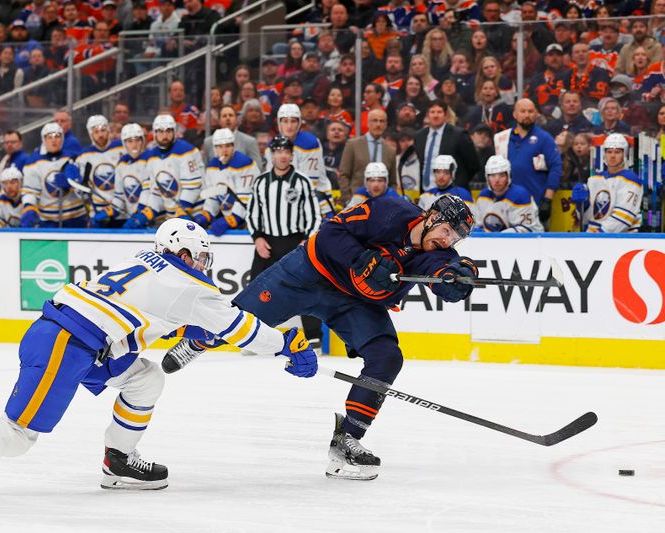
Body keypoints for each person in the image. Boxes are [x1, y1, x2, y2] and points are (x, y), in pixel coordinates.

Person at [0, 218, 318, 496]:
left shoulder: (146, 261)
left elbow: (155, 315)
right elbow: (238, 327)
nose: (204, 266)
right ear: (184, 253)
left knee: (146, 379)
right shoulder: (188, 283)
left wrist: (193, 328)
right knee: (14, 439)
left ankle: (118, 461)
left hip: (82, 342)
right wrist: (287, 346)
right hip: (66, 346)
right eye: (201, 257)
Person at [164, 193, 477, 480]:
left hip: (353, 302)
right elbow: (331, 233)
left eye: (457, 238)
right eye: (448, 231)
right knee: (235, 322)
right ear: (433, 217)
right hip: (304, 274)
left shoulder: (437, 252)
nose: (450, 241)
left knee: (386, 357)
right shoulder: (390, 210)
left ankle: (347, 442)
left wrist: (460, 277)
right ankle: (199, 340)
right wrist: (360, 259)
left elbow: (446, 272)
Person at [245, 135, 323, 350]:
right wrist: (257, 238)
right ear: (272, 154)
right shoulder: (261, 182)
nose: (282, 155)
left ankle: (314, 335)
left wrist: (307, 239)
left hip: (295, 242)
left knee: (306, 286)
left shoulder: (302, 181)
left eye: (286, 151)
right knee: (256, 290)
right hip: (267, 244)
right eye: (278, 151)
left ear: (291, 155)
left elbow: (314, 214)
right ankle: (251, 337)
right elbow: (252, 214)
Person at [124, 114, 205, 228]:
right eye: (160, 131)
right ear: (155, 133)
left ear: (174, 132)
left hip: (193, 214)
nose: (165, 135)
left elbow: (193, 186)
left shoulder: (186, 151)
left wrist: (183, 209)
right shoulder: (152, 156)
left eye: (168, 131)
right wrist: (147, 212)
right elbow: (156, 191)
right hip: (171, 218)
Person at [493, 99, 562, 224]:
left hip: (535, 204)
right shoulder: (502, 138)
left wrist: (547, 199)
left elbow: (556, 167)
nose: (527, 115)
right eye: (523, 111)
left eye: (530, 111)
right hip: (506, 204)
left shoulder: (544, 138)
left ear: (536, 114)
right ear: (515, 114)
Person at [264, 104, 332, 216]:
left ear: (299, 122)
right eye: (285, 121)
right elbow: (272, 181)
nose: (289, 126)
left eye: (293, 121)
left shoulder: (310, 143)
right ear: (279, 123)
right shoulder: (271, 146)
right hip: (285, 200)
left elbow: (309, 184)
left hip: (317, 201)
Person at [571, 134, 642, 233]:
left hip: (621, 240)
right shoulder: (594, 179)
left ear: (624, 154)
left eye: (617, 152)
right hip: (593, 237)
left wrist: (600, 234)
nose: (612, 156)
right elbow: (587, 218)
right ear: (604, 154)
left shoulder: (631, 180)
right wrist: (582, 205)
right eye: (609, 152)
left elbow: (623, 217)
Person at [194, 128, 258, 237]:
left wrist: (233, 219)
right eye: (220, 146)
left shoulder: (245, 164)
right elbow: (213, 195)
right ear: (215, 149)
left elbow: (245, 197)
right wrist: (206, 214)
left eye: (228, 146)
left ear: (233, 146)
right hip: (227, 216)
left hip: (251, 220)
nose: (224, 150)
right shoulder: (212, 166)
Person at [21, 122, 86, 228]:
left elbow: (85, 193)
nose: (54, 140)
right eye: (49, 137)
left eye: (57, 136)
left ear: (62, 138)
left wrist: (75, 183)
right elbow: (30, 192)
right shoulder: (33, 163)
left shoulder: (74, 159)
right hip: (48, 221)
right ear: (44, 140)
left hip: (76, 218)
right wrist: (29, 207)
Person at [414, 100, 480, 191]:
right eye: (432, 112)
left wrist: (459, 182)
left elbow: (473, 164)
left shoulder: (459, 135)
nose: (436, 115)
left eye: (439, 112)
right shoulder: (419, 136)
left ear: (445, 115)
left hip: (453, 191)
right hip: (425, 192)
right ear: (428, 115)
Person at [337, 109, 397, 206]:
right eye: (375, 120)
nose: (378, 124)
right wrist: (349, 199)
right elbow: (343, 175)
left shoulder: (390, 150)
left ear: (386, 125)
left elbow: (393, 181)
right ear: (368, 123)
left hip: (383, 204)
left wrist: (391, 201)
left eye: (382, 121)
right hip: (357, 201)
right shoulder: (353, 144)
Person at [76, 115, 124, 227]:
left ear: (108, 131)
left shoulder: (121, 149)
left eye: (103, 130)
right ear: (90, 134)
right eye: (96, 131)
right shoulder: (83, 156)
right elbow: (81, 190)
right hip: (98, 213)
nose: (100, 135)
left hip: (122, 212)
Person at [474, 155, 543, 233]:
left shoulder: (520, 195)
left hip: (531, 241)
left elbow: (525, 229)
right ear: (487, 178)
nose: (497, 180)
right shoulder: (483, 196)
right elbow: (478, 226)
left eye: (501, 175)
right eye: (492, 176)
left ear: (508, 176)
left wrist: (496, 237)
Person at [111, 123, 149, 228]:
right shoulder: (121, 163)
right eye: (130, 141)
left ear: (143, 141)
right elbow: (119, 195)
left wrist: (140, 213)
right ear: (124, 144)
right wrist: (111, 210)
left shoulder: (151, 159)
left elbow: (150, 192)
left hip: (151, 219)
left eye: (137, 140)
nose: (134, 145)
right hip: (132, 218)